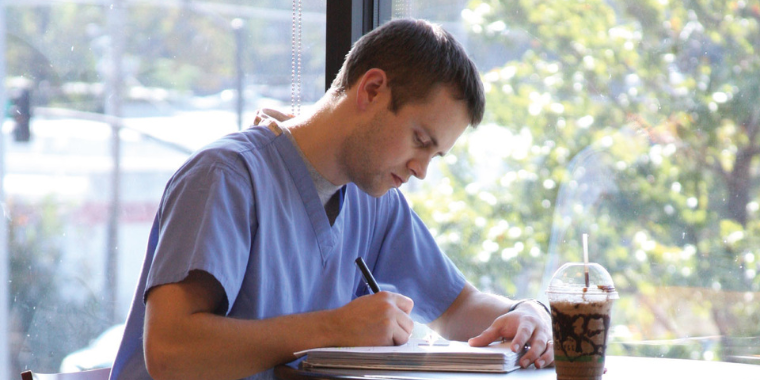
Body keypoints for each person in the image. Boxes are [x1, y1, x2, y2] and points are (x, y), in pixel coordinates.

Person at [110, 18, 553, 380]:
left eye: (434, 155)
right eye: (420, 140)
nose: (420, 169)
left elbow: (459, 308)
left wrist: (527, 315)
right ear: (372, 89)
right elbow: (170, 352)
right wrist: (335, 329)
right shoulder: (225, 178)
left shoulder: (374, 200)